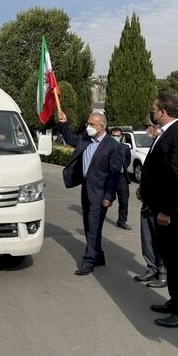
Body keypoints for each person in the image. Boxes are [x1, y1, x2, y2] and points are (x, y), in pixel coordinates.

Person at [140, 93, 178, 328]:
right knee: (170, 259)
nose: (152, 112)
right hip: (161, 207)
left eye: (155, 109)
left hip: (172, 211)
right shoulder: (165, 134)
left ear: (163, 112)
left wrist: (166, 210)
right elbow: (158, 170)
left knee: (177, 261)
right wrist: (145, 189)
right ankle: (175, 301)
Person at [58, 111, 121, 275]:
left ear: (101, 127)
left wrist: (109, 196)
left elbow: (114, 175)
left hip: (100, 193)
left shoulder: (113, 146)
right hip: (86, 189)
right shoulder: (86, 139)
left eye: (92, 124)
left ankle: (88, 261)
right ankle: (98, 255)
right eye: (88, 123)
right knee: (89, 225)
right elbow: (71, 139)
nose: (89, 127)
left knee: (93, 227)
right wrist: (64, 123)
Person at [133, 121, 166, 289]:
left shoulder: (165, 143)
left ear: (156, 128)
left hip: (159, 202)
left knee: (160, 239)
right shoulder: (155, 143)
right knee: (147, 237)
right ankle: (151, 268)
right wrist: (141, 188)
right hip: (148, 201)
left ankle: (163, 273)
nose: (148, 130)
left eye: (149, 127)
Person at [110, 127, 131, 230]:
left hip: (122, 177)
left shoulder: (125, 148)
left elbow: (128, 160)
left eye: (118, 136)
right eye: (114, 136)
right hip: (109, 177)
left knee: (124, 200)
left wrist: (122, 169)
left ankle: (122, 221)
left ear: (121, 136)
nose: (116, 137)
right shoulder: (106, 147)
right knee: (105, 199)